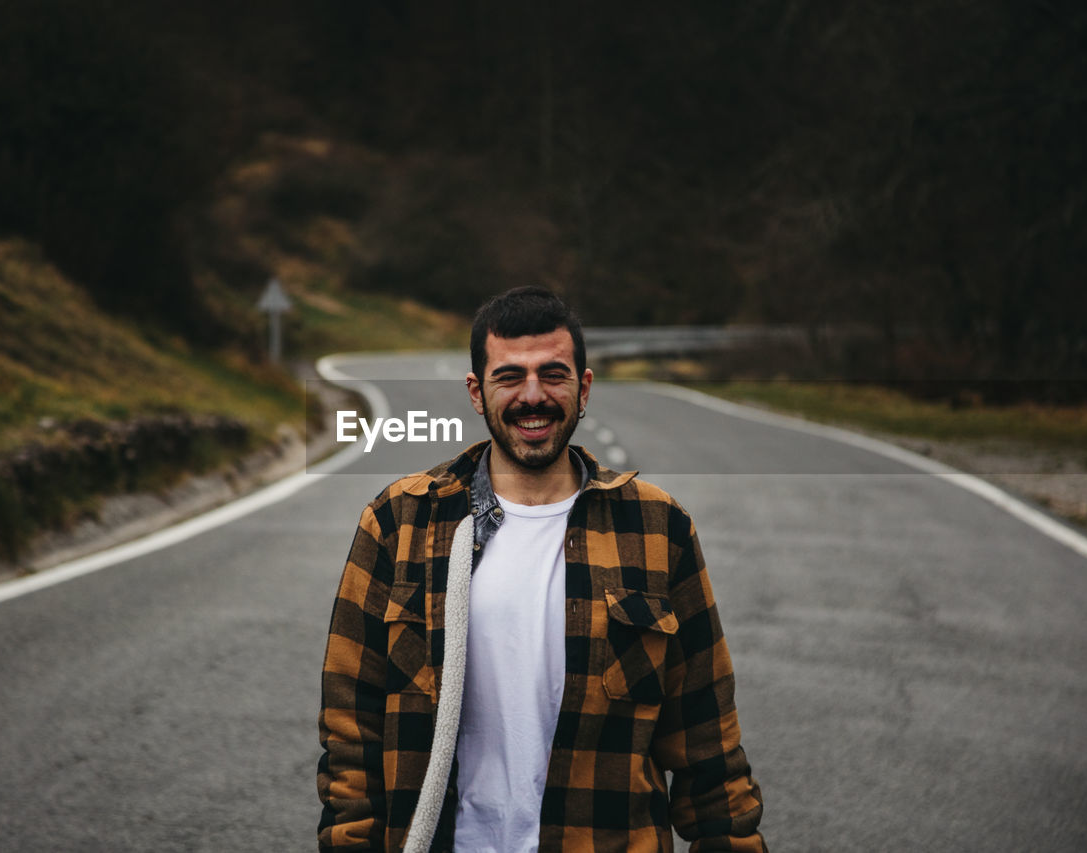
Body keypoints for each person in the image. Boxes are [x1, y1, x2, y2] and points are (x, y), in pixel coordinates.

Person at [318, 287, 766, 852]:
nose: (534, 396)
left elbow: (709, 745)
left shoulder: (658, 529)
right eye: (510, 378)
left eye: (553, 375)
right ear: (478, 394)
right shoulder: (399, 521)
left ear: (584, 387)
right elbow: (349, 735)